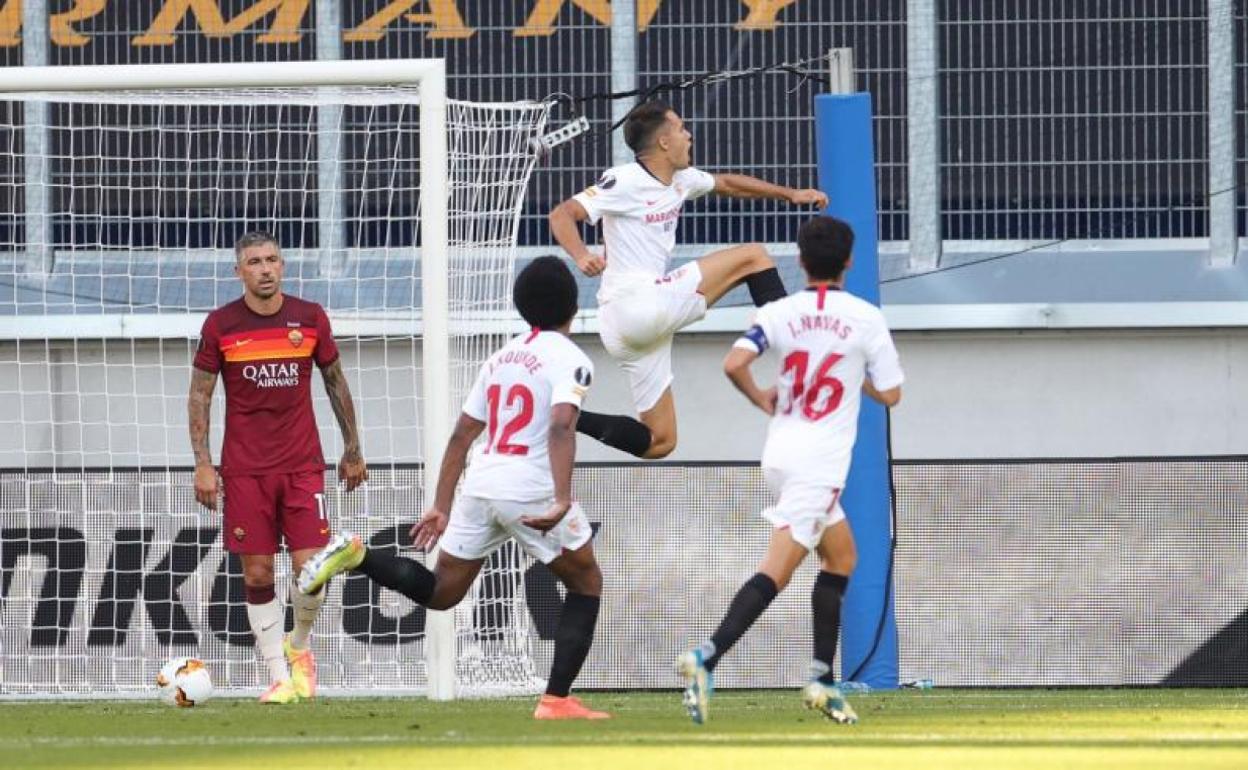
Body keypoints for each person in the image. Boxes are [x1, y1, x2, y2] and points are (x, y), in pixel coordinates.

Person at [298, 256, 609, 720]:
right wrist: (562, 499)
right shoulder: (572, 359)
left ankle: (358, 556)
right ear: (573, 305)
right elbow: (562, 424)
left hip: (481, 483)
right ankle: (556, 700)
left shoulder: (501, 357)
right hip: (529, 487)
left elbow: (463, 434)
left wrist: (441, 506)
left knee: (442, 592)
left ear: (522, 307)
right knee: (587, 583)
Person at [675, 215, 903, 725]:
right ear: (849, 261)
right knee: (777, 570)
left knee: (841, 558)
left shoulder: (779, 312)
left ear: (800, 261)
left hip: (780, 453)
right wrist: (856, 378)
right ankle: (705, 657)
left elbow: (733, 363)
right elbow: (891, 394)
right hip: (818, 466)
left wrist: (761, 397)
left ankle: (822, 681)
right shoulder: (864, 318)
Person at [549, 100, 828, 459]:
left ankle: (566, 415)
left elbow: (728, 184)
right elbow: (561, 214)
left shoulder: (681, 179)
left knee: (660, 442)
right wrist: (582, 255)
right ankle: (801, 349)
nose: (689, 135)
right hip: (636, 304)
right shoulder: (624, 180)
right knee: (754, 256)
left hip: (630, 327)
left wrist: (790, 194)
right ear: (664, 142)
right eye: (681, 129)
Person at [188, 231, 368, 704]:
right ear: (239, 271)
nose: (265, 269)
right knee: (257, 574)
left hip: (302, 465)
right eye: (254, 262)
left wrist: (353, 449)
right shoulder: (221, 325)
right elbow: (200, 394)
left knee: (312, 569)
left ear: (282, 266)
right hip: (245, 470)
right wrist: (203, 463)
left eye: (272, 260)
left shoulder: (310, 318)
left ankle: (299, 646)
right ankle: (278, 676)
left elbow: (335, 381)